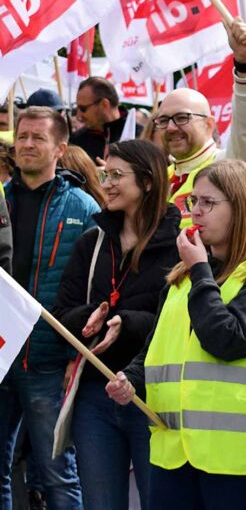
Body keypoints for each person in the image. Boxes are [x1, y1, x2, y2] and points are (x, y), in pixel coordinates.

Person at [105, 159, 246, 509]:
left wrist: (201, 271)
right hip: (174, 453)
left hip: (239, 459)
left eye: (209, 203)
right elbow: (157, 348)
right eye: (193, 202)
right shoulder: (182, 277)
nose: (196, 213)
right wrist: (130, 378)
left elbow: (226, 340)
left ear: (239, 208)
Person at [53, 140, 180, 510]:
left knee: (159, 501)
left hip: (153, 395)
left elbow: (183, 321)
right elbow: (63, 313)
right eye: (105, 175)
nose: (106, 183)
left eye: (116, 176)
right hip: (95, 393)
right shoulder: (91, 242)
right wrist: (92, 318)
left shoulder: (183, 245)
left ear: (149, 182)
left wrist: (129, 323)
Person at [1, 107, 100, 509]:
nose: (26, 144)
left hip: (48, 359)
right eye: (22, 136)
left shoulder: (82, 207)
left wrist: (76, 356)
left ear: (60, 148)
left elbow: (96, 287)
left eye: (37, 138)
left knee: (58, 476)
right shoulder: (1, 197)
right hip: (2, 353)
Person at [153, 18, 246, 226]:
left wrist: (243, 65)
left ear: (209, 124)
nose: (171, 127)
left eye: (181, 118)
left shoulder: (227, 166)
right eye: (164, 120)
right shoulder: (159, 178)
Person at [70, 77, 141, 161]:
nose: (79, 115)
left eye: (83, 108)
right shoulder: (76, 140)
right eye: (77, 108)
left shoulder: (139, 135)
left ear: (104, 104)